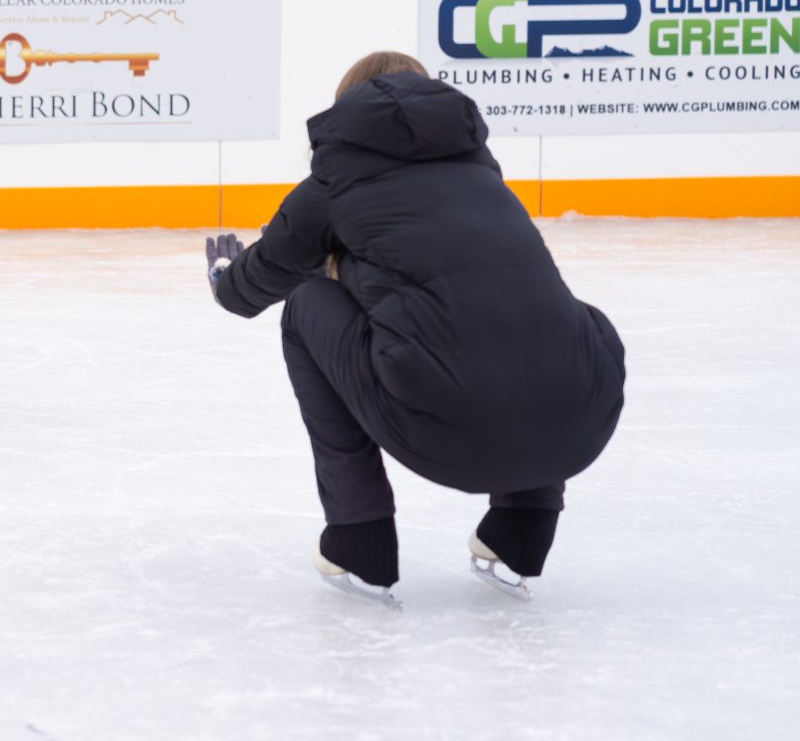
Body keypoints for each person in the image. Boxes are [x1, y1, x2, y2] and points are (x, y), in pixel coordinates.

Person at [207, 52, 625, 605]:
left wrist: (225, 278)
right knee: (526, 314)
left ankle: (360, 538)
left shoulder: (336, 179)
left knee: (307, 304)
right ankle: (521, 530)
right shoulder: (482, 171)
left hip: (446, 433)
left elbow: (253, 287)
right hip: (581, 422)